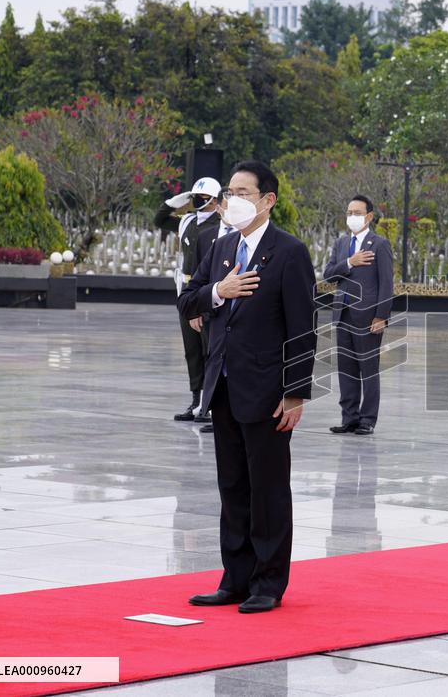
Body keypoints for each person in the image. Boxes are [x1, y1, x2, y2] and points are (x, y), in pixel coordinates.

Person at [178, 161, 317, 614]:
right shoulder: (219, 247)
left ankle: (268, 582)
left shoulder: (289, 252)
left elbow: (303, 328)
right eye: (228, 192)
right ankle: (234, 578)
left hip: (268, 390)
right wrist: (220, 290)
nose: (230, 201)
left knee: (268, 488)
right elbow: (188, 299)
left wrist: (295, 392)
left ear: (267, 200)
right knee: (233, 486)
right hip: (223, 386)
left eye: (242, 192)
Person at [322, 195, 394, 436]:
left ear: (369, 216)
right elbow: (329, 274)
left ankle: (367, 419)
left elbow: (386, 283)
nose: (352, 217)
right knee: (346, 369)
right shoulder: (341, 244)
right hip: (342, 313)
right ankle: (349, 418)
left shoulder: (379, 244)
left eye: (357, 212)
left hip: (368, 317)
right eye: (349, 212)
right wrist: (350, 262)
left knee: (368, 369)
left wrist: (381, 316)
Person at [155, 177, 222, 424]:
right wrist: (174, 202)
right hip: (186, 288)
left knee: (210, 348)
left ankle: (212, 403)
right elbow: (159, 220)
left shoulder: (222, 225)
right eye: (195, 197)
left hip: (208, 290)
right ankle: (197, 401)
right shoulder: (187, 221)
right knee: (192, 349)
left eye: (202, 198)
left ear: (215, 200)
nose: (197, 201)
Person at [189, 209, 241, 434]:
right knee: (205, 356)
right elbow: (196, 277)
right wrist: (197, 307)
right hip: (210, 308)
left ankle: (224, 411)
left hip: (239, 319)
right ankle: (205, 407)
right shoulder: (208, 238)